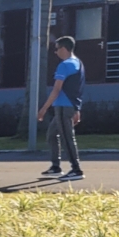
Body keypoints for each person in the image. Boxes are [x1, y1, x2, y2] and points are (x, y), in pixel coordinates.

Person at [37, 36, 84, 181]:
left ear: (63, 49)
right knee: (52, 135)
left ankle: (76, 170)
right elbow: (77, 89)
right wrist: (77, 109)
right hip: (67, 106)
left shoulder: (64, 65)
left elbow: (57, 89)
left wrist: (44, 109)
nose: (55, 52)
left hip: (64, 107)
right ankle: (56, 167)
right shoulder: (78, 64)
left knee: (67, 138)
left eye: (56, 49)